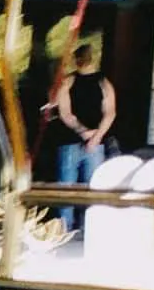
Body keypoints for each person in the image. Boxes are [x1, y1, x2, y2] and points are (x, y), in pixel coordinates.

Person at [46, 38, 116, 184]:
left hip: (70, 140)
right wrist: (96, 136)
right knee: (91, 192)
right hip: (94, 142)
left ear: (76, 60)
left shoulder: (68, 82)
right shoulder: (104, 83)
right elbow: (110, 113)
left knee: (66, 194)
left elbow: (66, 113)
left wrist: (82, 132)